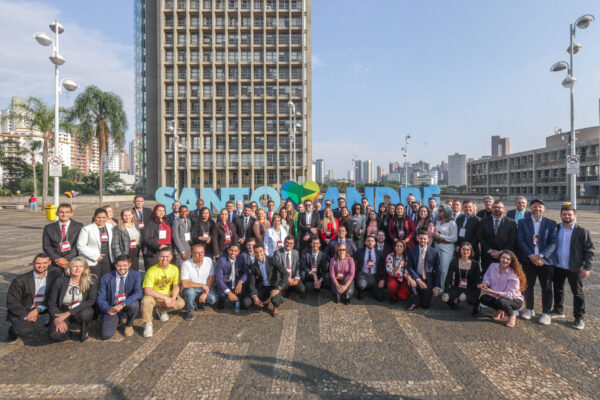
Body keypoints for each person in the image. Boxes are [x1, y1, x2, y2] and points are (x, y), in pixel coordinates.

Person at [550, 205, 595, 330]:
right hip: (558, 265)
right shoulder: (556, 228)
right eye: (564, 214)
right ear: (560, 215)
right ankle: (558, 310)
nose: (567, 216)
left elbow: (589, 250)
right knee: (558, 288)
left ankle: (579, 317)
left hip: (574, 267)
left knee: (577, 293)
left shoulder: (582, 231)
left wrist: (587, 267)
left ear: (575, 216)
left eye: (569, 214)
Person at [516, 199, 557, 324]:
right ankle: (529, 309)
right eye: (534, 207)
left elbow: (554, 242)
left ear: (544, 209)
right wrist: (530, 255)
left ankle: (546, 313)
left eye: (539, 207)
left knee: (547, 287)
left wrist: (541, 256)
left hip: (545, 261)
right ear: (530, 208)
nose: (537, 209)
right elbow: (520, 239)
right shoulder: (523, 222)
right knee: (528, 286)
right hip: (528, 260)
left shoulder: (551, 223)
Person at [5, 254, 59, 343]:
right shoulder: (20, 280)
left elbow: (55, 296)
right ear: (33, 263)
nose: (41, 266)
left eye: (44, 263)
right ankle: (12, 332)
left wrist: (39, 308)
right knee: (24, 329)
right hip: (26, 308)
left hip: (46, 306)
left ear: (49, 263)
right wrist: (26, 316)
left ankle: (51, 323)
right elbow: (12, 302)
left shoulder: (55, 277)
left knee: (58, 332)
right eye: (38, 263)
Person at [48, 257, 98, 342]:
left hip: (80, 309)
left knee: (87, 312)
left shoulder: (90, 280)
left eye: (81, 266)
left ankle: (84, 328)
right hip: (62, 310)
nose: (78, 269)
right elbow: (51, 304)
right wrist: (60, 318)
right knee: (55, 335)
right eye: (75, 266)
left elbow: (91, 300)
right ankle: (68, 333)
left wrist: (68, 313)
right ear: (69, 267)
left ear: (84, 268)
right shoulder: (60, 281)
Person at [141, 247, 185, 337]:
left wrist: (173, 298)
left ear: (171, 257)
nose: (164, 259)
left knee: (180, 303)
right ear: (158, 257)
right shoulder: (151, 270)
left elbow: (176, 286)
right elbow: (147, 290)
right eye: (162, 256)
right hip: (154, 296)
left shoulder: (174, 269)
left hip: (168, 294)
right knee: (145, 301)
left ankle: (162, 309)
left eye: (167, 256)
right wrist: (165, 298)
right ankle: (148, 323)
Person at [96, 255, 142, 339]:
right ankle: (118, 318)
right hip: (112, 306)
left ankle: (129, 324)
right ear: (115, 265)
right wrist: (107, 309)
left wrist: (123, 304)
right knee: (106, 335)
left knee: (134, 305)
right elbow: (100, 298)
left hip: (126, 304)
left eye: (125, 265)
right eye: (119, 265)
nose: (122, 268)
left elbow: (138, 293)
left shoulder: (136, 275)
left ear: (129, 265)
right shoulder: (106, 277)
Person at [478, 250, 526, 328]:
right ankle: (500, 310)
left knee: (502, 301)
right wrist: (485, 284)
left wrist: (493, 292)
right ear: (500, 258)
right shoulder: (493, 266)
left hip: (514, 299)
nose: (505, 260)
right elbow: (487, 278)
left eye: (508, 259)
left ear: (511, 261)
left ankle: (512, 315)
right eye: (503, 257)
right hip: (498, 297)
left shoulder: (513, 274)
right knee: (484, 298)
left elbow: (510, 294)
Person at [248, 244, 288, 317]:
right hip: (263, 286)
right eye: (256, 252)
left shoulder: (272, 260)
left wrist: (278, 288)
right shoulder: (253, 266)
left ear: (264, 251)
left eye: (260, 251)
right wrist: (254, 296)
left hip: (274, 285)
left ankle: (276, 306)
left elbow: (285, 273)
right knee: (252, 301)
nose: (259, 254)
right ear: (254, 253)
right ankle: (266, 302)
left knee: (275, 301)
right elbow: (251, 283)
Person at [42, 203, 83, 273]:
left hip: (73, 262)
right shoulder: (49, 228)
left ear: (71, 214)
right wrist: (58, 259)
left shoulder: (79, 226)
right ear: (57, 213)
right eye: (61, 212)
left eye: (67, 212)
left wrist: (66, 259)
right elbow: (46, 246)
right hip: (55, 263)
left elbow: (79, 245)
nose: (64, 215)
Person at [181, 244, 218, 321]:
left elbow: (211, 277)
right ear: (191, 253)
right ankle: (189, 309)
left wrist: (205, 292)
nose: (200, 255)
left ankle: (197, 302)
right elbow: (185, 284)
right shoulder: (186, 264)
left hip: (204, 289)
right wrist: (201, 285)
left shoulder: (208, 260)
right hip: (191, 289)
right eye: (197, 253)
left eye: (202, 252)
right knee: (190, 292)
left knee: (213, 299)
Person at [477, 201, 517, 273]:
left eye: (499, 207)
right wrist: (490, 251)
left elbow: (512, 240)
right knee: (487, 277)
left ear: (504, 209)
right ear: (491, 209)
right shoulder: (483, 221)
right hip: (487, 255)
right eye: (494, 207)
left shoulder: (511, 222)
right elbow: (481, 238)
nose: (497, 209)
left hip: (504, 256)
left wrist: (501, 252)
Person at [406, 230, 441, 310]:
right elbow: (409, 267)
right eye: (421, 238)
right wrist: (418, 280)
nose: (422, 240)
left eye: (424, 239)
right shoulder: (412, 250)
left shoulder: (434, 252)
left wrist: (437, 286)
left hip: (427, 279)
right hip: (416, 277)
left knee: (425, 305)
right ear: (417, 238)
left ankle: (421, 295)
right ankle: (415, 300)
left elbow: (438, 270)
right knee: (411, 284)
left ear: (428, 239)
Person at [443, 242, 481, 315]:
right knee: (446, 298)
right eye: (463, 249)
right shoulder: (454, 262)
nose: (465, 252)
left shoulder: (475, 264)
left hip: (471, 288)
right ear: (460, 250)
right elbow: (449, 277)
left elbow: (477, 281)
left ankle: (477, 306)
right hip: (458, 286)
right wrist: (446, 292)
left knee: (471, 300)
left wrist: (465, 293)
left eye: (468, 250)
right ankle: (455, 304)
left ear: (471, 251)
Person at [77, 208, 114, 277]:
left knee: (107, 280)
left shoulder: (111, 227)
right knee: (94, 282)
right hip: (93, 260)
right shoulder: (86, 229)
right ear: (94, 217)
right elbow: (80, 246)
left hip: (108, 259)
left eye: (104, 217)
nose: (101, 220)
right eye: (99, 217)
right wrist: (95, 256)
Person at [214, 243, 251, 309]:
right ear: (228, 250)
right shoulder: (221, 260)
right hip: (226, 284)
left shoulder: (241, 258)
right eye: (231, 250)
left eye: (235, 251)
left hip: (237, 283)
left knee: (242, 305)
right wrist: (229, 293)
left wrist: (240, 282)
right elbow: (219, 280)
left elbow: (246, 272)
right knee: (222, 294)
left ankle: (237, 297)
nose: (233, 253)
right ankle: (222, 299)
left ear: (239, 251)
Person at [433, 204, 458, 292]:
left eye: (440, 210)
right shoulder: (438, 221)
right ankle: (438, 286)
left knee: (445, 269)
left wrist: (441, 236)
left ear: (446, 212)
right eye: (438, 210)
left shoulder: (452, 223)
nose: (438, 212)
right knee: (438, 268)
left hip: (447, 247)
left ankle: (444, 288)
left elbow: (455, 238)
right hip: (437, 245)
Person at [354, 236, 385, 302]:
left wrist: (382, 279)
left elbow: (384, 267)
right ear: (365, 242)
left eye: (372, 241)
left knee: (381, 298)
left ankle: (371, 288)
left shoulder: (379, 253)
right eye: (368, 241)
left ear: (375, 243)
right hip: (363, 275)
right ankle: (361, 290)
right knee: (360, 285)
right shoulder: (359, 251)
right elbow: (352, 260)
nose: (370, 242)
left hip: (374, 277)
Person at [141, 204, 172, 269]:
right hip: (154, 252)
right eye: (159, 211)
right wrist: (159, 245)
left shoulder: (166, 221)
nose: (162, 212)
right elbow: (146, 239)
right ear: (155, 211)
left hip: (166, 250)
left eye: (163, 211)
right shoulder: (150, 223)